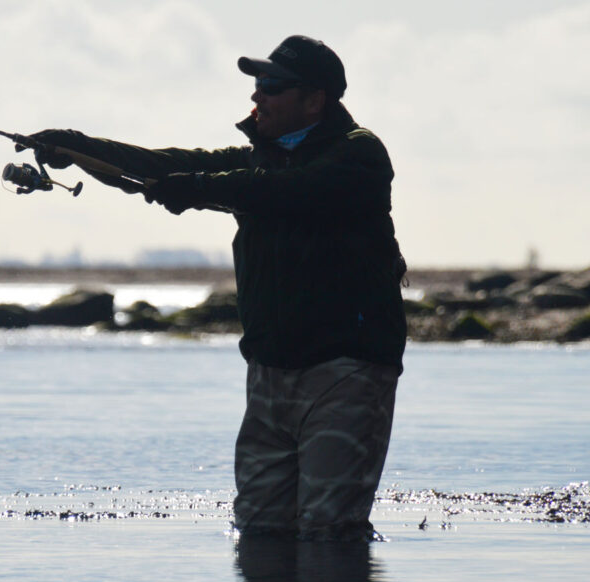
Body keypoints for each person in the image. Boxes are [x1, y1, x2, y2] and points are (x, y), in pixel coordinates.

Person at [25, 35, 407, 541]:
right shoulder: (257, 161)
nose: (257, 95)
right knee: (258, 529)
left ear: (315, 99)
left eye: (272, 86)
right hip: (269, 370)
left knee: (329, 531)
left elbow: (289, 193)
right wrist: (79, 149)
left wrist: (198, 189)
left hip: (346, 370)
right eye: (257, 84)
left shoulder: (359, 154)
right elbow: (165, 165)